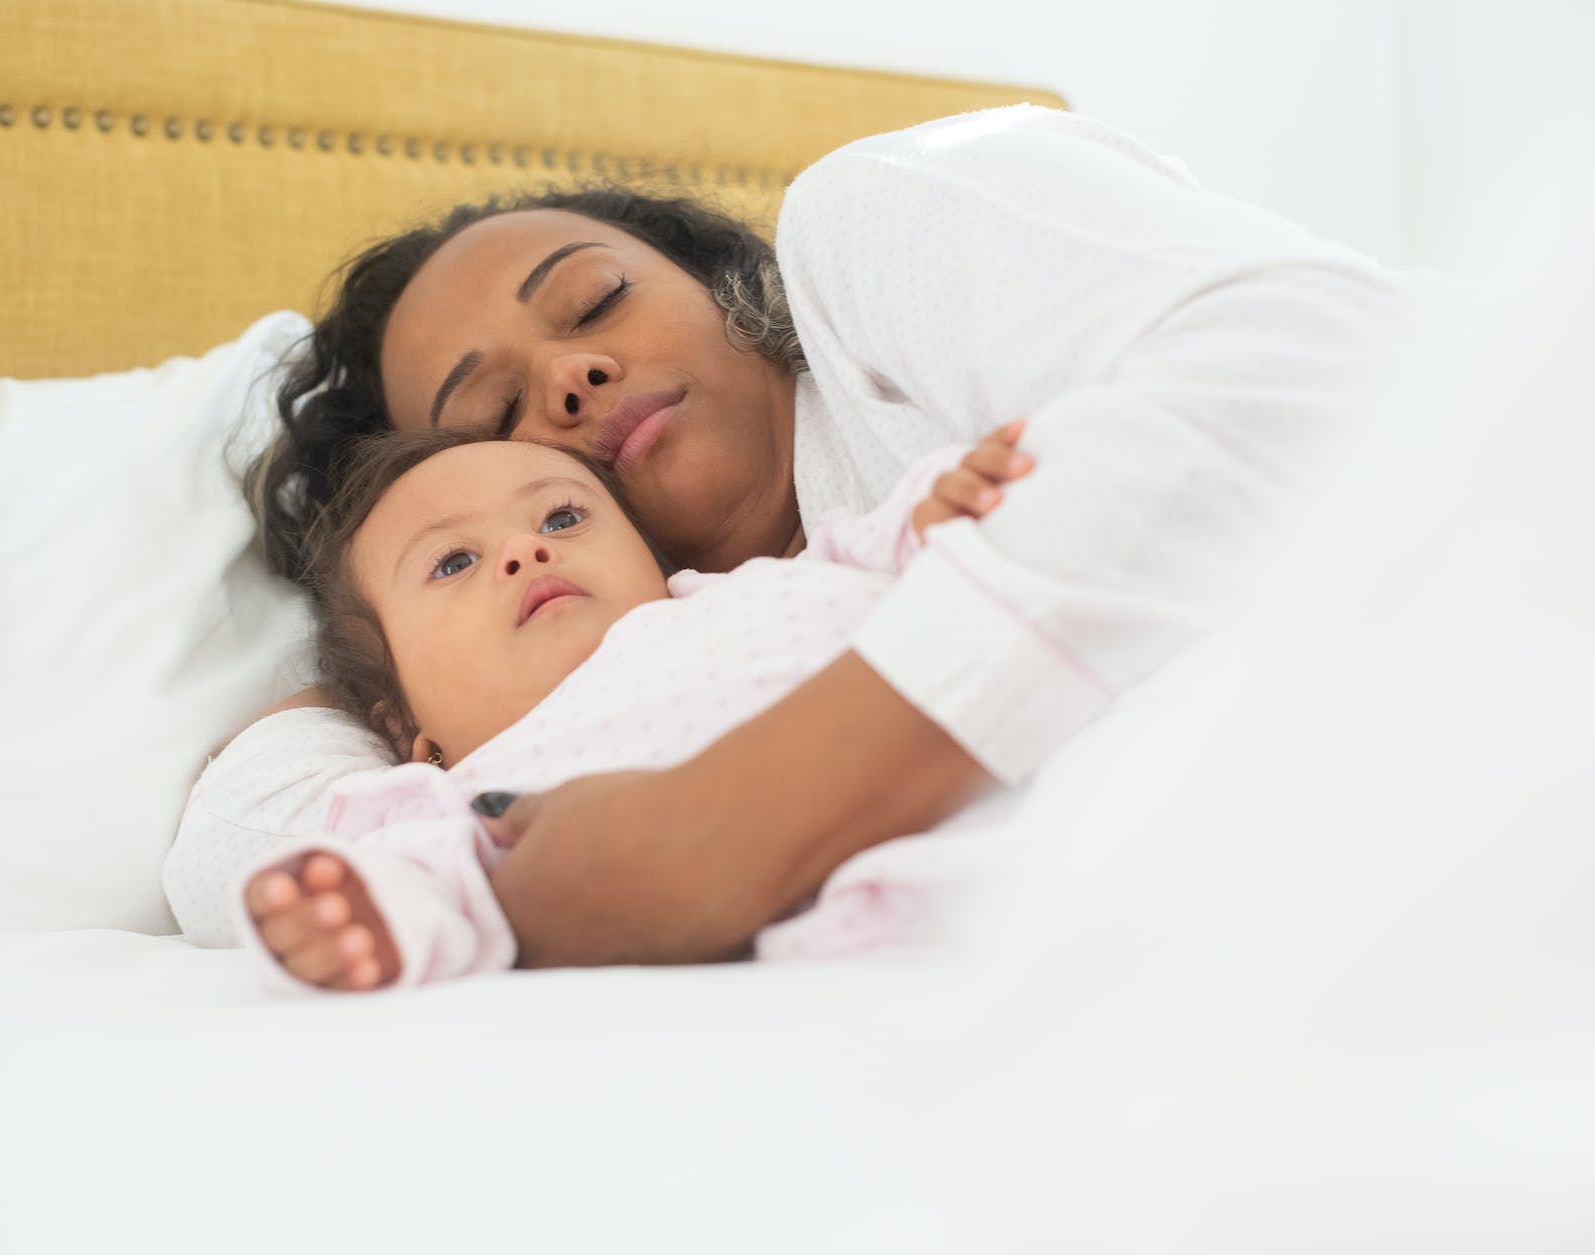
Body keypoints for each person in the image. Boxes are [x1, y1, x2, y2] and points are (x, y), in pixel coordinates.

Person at [164, 104, 1427, 967]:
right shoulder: (588, 691)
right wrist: (385, 671)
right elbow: (253, 857)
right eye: (496, 415)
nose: (573, 375)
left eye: (598, 297)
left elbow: (1327, 361)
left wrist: (736, 825)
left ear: (719, 284)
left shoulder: (861, 248)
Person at [229, 424, 1027, 991]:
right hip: (879, 924)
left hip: (1003, 769)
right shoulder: (477, 792)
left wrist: (938, 502)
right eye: (454, 560)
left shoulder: (747, 588)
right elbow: (405, 879)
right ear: (412, 732)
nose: (525, 550)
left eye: (563, 516)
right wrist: (360, 915)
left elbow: (884, 543)